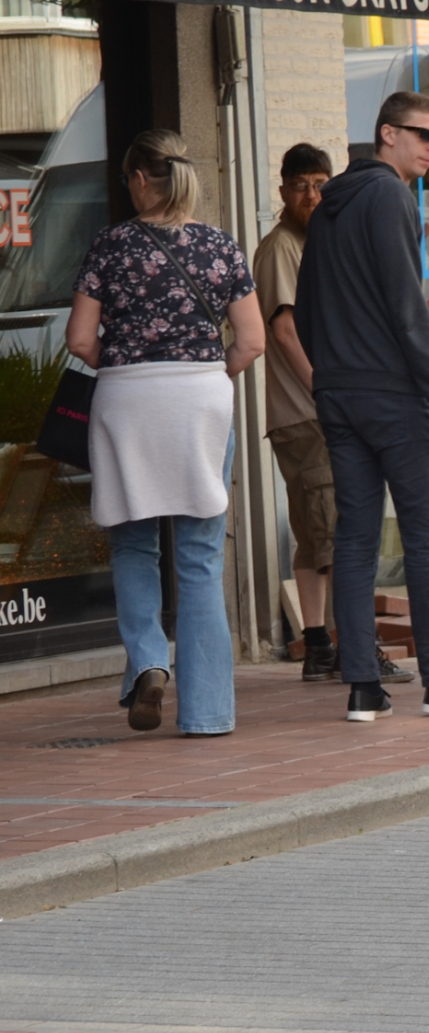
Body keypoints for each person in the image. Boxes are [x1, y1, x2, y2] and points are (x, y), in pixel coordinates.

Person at [296, 90, 429, 723]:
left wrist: (331, 373)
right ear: (387, 133)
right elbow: (406, 304)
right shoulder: (388, 195)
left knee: (355, 537)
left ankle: (363, 687)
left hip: (339, 394)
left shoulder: (332, 204)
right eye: (424, 135)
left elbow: (304, 310)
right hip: (392, 394)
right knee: (424, 538)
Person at [66, 129, 264, 736]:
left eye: (128, 179)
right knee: (201, 556)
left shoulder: (110, 246)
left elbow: (78, 339)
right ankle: (207, 715)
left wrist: (127, 368)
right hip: (201, 397)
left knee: (132, 545)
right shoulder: (221, 247)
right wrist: (206, 371)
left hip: (128, 398)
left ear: (142, 180)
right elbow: (252, 341)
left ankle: (150, 662)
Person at [253, 143, 413, 688]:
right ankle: (355, 651)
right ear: (283, 192)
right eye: (300, 185)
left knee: (314, 535)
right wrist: (327, 392)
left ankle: (319, 645)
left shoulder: (315, 241)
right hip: (308, 412)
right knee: (340, 539)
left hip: (314, 411)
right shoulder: (282, 249)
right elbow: (283, 329)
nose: (312, 194)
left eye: (320, 183)